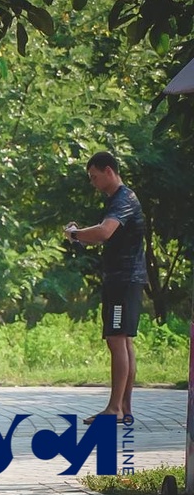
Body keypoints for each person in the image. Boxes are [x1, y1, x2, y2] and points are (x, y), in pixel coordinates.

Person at [64, 151, 146, 425]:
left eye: (94, 177)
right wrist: (79, 236)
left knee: (116, 339)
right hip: (124, 280)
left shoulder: (123, 199)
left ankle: (114, 409)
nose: (93, 183)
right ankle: (123, 408)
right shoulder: (118, 200)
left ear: (109, 171)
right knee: (123, 341)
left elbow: (103, 232)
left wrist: (75, 234)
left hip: (123, 281)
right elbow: (101, 235)